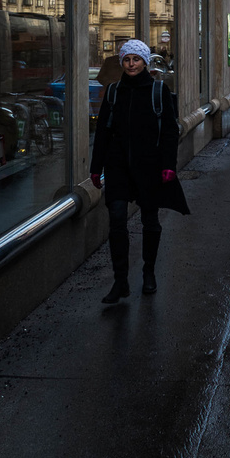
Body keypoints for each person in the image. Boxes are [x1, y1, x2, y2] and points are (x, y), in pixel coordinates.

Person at [90, 39, 188, 305]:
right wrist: (95, 168)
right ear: (121, 62)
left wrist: (168, 165)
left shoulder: (158, 91)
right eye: (126, 59)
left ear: (145, 62)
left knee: (149, 220)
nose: (131, 64)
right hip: (118, 166)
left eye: (136, 59)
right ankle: (120, 280)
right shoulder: (113, 92)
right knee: (117, 219)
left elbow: (169, 131)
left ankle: (148, 271)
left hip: (149, 166)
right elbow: (102, 134)